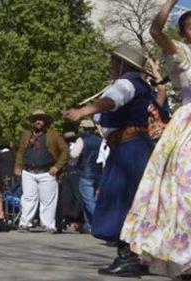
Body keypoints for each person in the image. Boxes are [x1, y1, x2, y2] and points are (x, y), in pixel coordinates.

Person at [121, 0, 191, 278]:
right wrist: (171, 2)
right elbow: (155, 31)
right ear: (184, 33)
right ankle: (182, 256)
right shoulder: (184, 55)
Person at [65, 46, 156, 275]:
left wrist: (84, 110)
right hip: (133, 147)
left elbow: (112, 101)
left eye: (114, 63)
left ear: (124, 65)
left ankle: (129, 258)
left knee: (121, 201)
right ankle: (133, 256)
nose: (111, 67)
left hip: (129, 148)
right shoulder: (142, 85)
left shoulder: (126, 83)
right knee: (133, 201)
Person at [14, 110, 69, 232]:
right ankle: (24, 223)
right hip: (28, 171)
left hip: (47, 172)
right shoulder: (26, 134)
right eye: (35, 119)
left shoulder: (53, 135)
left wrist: (57, 167)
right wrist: (18, 166)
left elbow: (65, 151)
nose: (37, 121)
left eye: (40, 119)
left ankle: (48, 225)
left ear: (45, 121)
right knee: (28, 198)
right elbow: (21, 152)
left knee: (48, 200)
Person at [69, 119, 102, 235]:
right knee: (93, 199)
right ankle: (89, 225)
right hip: (99, 173)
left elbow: (74, 154)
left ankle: (100, 221)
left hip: (85, 172)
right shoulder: (101, 140)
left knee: (88, 200)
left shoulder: (82, 140)